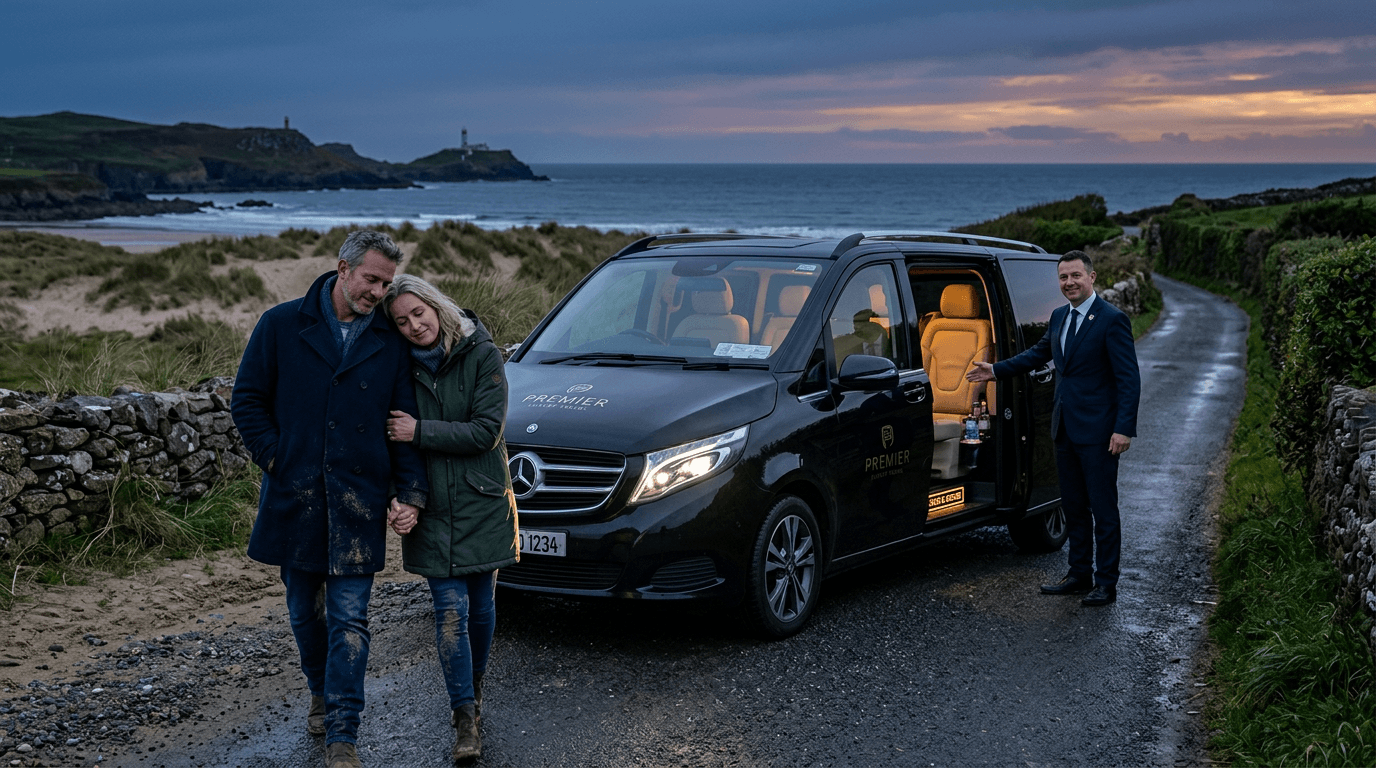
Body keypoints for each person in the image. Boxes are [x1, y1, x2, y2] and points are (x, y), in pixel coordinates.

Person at [231, 230, 429, 768]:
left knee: (350, 618)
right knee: (303, 610)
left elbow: (402, 423)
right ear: (342, 268)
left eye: (386, 284)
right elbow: (247, 400)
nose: (379, 293)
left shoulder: (389, 340)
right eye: (371, 279)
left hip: (359, 500)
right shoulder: (280, 324)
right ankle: (319, 690)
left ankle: (343, 732)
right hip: (295, 497)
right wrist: (278, 458)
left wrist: (409, 491)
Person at [382, 274, 518, 765]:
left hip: (482, 498)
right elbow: (386, 439)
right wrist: (397, 497)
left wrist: (420, 430)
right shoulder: (397, 365)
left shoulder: (483, 353)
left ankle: (474, 693)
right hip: (432, 507)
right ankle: (463, 717)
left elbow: (485, 431)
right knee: (449, 611)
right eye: (401, 321)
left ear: (436, 306)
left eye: (418, 313)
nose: (414, 326)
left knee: (481, 607)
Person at [967, 250, 1140, 606]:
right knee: (1074, 507)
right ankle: (1079, 574)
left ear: (1092, 277)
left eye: (1076, 276)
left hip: (1099, 433)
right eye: (1063, 277)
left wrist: (1123, 429)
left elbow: (1129, 380)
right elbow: (1037, 354)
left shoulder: (1112, 320)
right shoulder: (1059, 316)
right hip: (1064, 429)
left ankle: (1106, 583)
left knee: (1103, 511)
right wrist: (995, 370)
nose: (1069, 283)